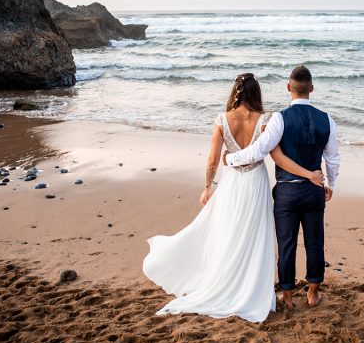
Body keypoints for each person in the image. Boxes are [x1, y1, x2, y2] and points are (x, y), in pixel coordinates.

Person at [142, 73, 324, 323]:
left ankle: (227, 281)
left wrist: (208, 187)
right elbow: (276, 156)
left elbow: (213, 159)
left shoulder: (221, 120)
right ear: (256, 93)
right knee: (255, 234)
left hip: (231, 182)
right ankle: (252, 288)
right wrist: (309, 174)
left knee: (229, 232)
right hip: (256, 181)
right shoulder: (266, 120)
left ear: (234, 92)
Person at [224, 65, 340, 309]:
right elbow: (332, 158)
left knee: (286, 243)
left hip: (287, 192)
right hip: (313, 191)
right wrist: (329, 183)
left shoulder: (280, 118)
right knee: (315, 242)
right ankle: (313, 292)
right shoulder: (327, 119)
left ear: (289, 88)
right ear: (311, 88)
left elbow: (260, 150)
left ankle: (287, 296)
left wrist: (231, 159)